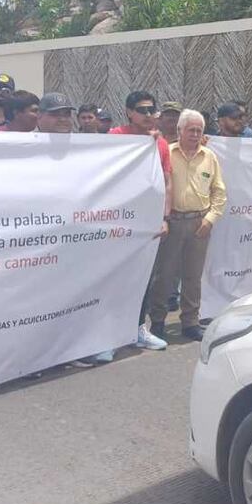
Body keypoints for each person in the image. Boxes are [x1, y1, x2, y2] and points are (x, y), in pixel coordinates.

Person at [148, 109, 226, 341]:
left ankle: (190, 322)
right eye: (190, 130)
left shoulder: (209, 157)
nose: (194, 134)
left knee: (193, 276)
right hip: (172, 222)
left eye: (198, 130)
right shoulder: (165, 152)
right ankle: (158, 322)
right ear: (179, 130)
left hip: (199, 223)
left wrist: (210, 219)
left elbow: (219, 192)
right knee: (164, 275)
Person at [111, 91, 173, 351]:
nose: (148, 115)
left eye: (151, 110)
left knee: (143, 278)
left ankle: (138, 330)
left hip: (149, 223)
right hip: (119, 222)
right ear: (128, 112)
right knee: (116, 279)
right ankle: (109, 335)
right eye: (142, 110)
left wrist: (165, 217)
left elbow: (167, 182)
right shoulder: (114, 137)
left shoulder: (160, 144)